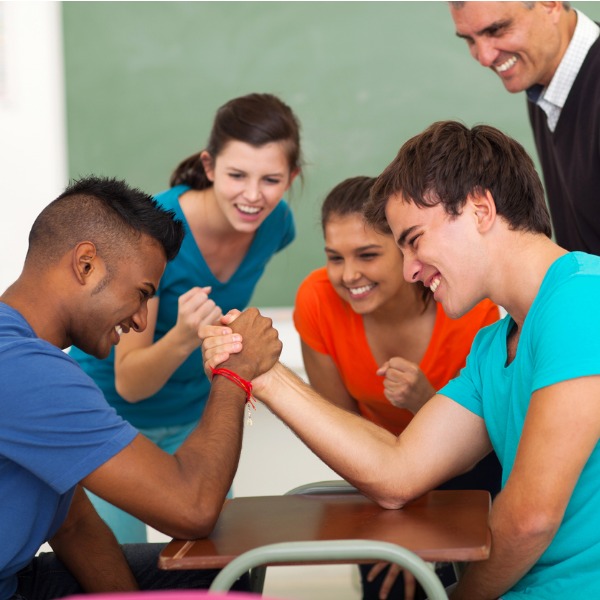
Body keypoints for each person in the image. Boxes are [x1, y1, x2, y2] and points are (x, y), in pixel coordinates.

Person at [203, 121, 600, 599]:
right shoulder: (493, 347)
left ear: (480, 208)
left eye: (413, 239)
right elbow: (397, 472)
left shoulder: (581, 297)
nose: (410, 268)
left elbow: (530, 517)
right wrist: (265, 376)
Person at [1, 175, 281, 600]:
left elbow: (74, 525)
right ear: (86, 264)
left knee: (216, 572)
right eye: (142, 294)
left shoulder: (24, 357)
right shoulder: (24, 369)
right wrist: (235, 371)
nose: (140, 322)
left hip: (15, 578)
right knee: (224, 580)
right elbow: (192, 507)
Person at [69, 92, 302, 543]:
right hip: (113, 420)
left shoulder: (276, 226)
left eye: (271, 179)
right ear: (209, 167)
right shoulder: (155, 232)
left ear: (292, 177)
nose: (253, 196)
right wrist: (183, 335)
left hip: (195, 419)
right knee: (118, 568)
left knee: (223, 558)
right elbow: (130, 384)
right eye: (237, 175)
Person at [293, 176, 502, 598]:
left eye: (367, 255)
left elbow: (487, 437)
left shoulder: (469, 308)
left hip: (471, 473)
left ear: (409, 252)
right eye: (335, 257)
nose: (349, 275)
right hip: (377, 475)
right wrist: (399, 522)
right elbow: (341, 432)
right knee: (389, 585)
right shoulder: (317, 300)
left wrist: (427, 402)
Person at [449, 1, 600, 255]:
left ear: (550, 5)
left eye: (497, 30)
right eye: (470, 40)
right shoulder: (543, 84)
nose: (485, 57)